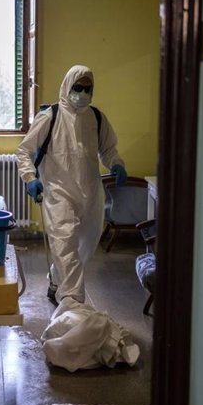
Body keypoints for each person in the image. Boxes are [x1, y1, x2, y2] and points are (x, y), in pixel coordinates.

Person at [16, 65, 127, 304]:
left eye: (88, 88)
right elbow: (24, 151)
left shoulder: (96, 118)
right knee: (64, 243)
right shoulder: (50, 116)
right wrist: (30, 178)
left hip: (91, 193)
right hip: (59, 192)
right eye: (78, 87)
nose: (83, 93)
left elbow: (107, 149)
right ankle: (72, 302)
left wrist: (116, 163)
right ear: (67, 86)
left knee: (84, 246)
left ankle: (57, 280)